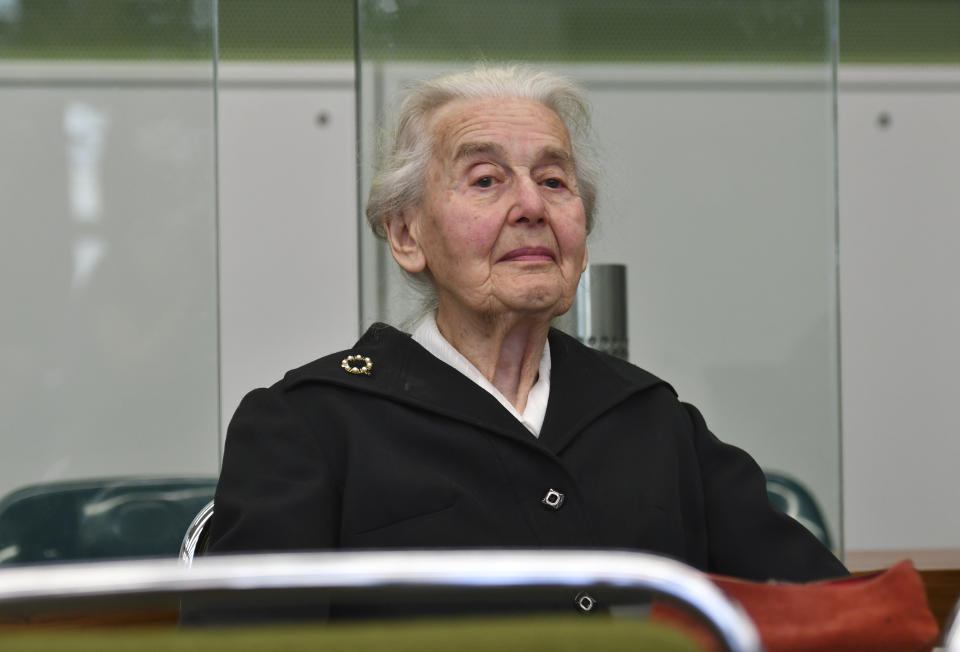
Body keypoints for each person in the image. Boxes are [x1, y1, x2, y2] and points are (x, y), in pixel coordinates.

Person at [201, 65, 846, 619]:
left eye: (555, 181)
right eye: (486, 180)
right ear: (405, 235)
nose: (531, 205)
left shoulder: (652, 419)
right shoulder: (309, 423)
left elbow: (827, 609)